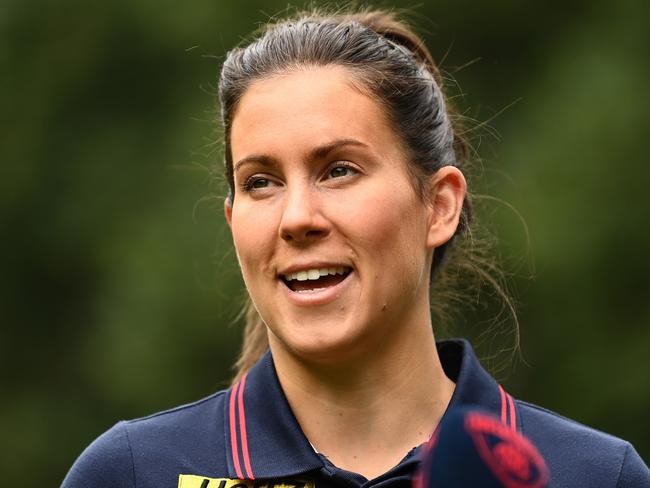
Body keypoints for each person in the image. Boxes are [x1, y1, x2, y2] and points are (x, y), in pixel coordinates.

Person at [62, 8, 649, 488]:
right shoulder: (132, 473)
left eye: (339, 170)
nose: (296, 218)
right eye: (261, 182)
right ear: (232, 217)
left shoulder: (597, 476)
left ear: (439, 205)